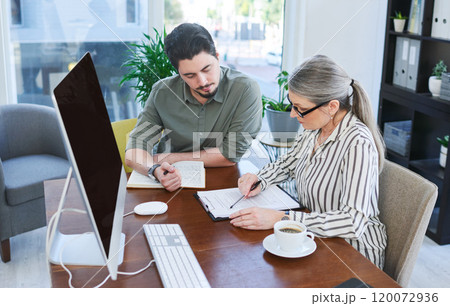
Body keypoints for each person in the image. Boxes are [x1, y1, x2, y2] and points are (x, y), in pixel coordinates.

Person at [230, 55, 387, 269]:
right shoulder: (314, 128)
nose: (293, 115)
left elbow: (352, 222)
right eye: (292, 104)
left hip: (352, 252)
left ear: (331, 106)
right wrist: (260, 179)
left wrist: (283, 218)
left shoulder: (357, 143)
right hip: (315, 237)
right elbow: (289, 163)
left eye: (299, 107)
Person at [125, 23, 262, 191]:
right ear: (178, 73)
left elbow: (231, 155)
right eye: (190, 75)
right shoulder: (162, 92)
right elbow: (134, 151)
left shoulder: (245, 89)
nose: (203, 82)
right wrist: (155, 170)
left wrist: (169, 158)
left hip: (223, 184)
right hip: (169, 182)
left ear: (217, 57)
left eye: (207, 69)